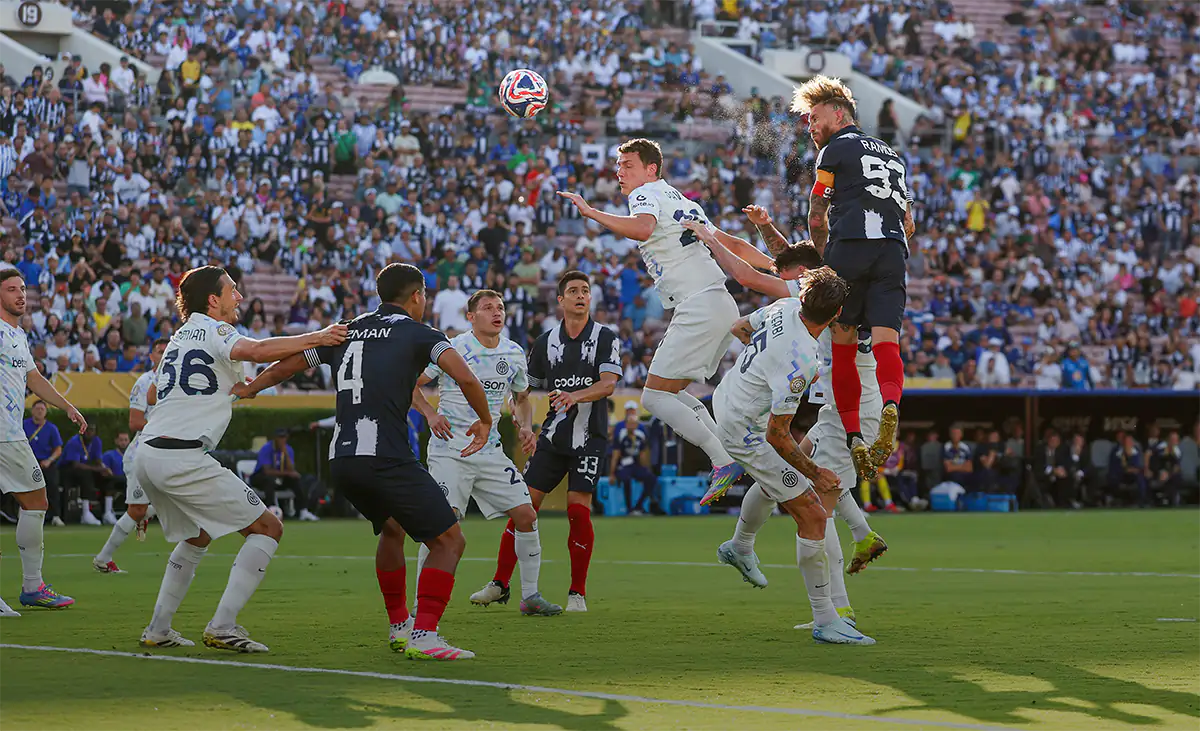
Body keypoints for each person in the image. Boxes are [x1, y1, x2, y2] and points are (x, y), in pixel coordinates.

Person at [235, 263, 490, 661]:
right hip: (385, 454)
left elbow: (291, 364)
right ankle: (425, 634)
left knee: (392, 529)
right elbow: (468, 379)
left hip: (343, 457)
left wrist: (252, 387)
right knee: (450, 540)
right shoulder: (421, 333)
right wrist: (487, 420)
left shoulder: (345, 328)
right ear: (417, 296)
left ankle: (400, 626)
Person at [134, 265, 347, 652]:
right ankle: (223, 625)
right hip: (182, 456)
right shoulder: (216, 329)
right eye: (233, 290)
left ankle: (158, 629)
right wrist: (318, 336)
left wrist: (248, 387)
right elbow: (257, 350)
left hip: (149, 453)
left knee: (196, 536)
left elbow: (228, 382)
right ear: (213, 300)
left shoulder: (181, 336)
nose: (240, 297)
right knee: (268, 528)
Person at [684, 217, 888, 604]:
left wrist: (711, 235)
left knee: (800, 477)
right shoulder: (821, 323)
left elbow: (751, 294)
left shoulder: (789, 305)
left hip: (837, 409)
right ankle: (836, 612)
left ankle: (750, 543)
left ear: (804, 281)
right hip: (834, 411)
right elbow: (787, 258)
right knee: (815, 505)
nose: (782, 275)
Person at [555, 138, 747, 501]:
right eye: (619, 165)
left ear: (651, 169)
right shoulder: (681, 199)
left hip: (700, 304)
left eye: (627, 164)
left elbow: (642, 228)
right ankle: (729, 453)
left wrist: (591, 212)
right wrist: (775, 264)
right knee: (671, 393)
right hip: (720, 302)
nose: (619, 172)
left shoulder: (644, 196)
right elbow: (732, 244)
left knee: (653, 399)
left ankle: (723, 459)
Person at [710, 266, 874, 644]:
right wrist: (817, 473)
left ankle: (739, 546)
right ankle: (826, 620)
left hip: (726, 398)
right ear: (836, 315)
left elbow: (739, 327)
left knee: (774, 487)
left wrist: (769, 369)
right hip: (747, 432)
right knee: (813, 512)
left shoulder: (782, 307)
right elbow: (778, 434)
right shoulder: (802, 360)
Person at [471, 271, 620, 614]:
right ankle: (499, 583)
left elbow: (609, 384)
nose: (581, 295)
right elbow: (523, 392)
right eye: (573, 291)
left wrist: (575, 395)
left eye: (585, 290)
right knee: (524, 508)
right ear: (561, 301)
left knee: (577, 510)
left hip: (589, 438)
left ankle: (577, 593)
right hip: (552, 438)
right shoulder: (544, 343)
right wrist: (524, 424)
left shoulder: (605, 337)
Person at [791, 76, 915, 479]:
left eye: (815, 116)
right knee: (886, 339)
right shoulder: (893, 155)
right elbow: (909, 221)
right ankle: (891, 405)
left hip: (851, 242)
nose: (810, 125)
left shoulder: (833, 149)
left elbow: (816, 210)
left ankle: (852, 436)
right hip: (894, 248)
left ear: (839, 113)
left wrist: (827, 258)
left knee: (842, 340)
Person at [412, 289, 561, 618]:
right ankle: (418, 609)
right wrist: (430, 414)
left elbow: (521, 397)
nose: (497, 312)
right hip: (451, 450)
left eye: (501, 307)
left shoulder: (514, 352)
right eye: (488, 307)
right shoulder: (454, 349)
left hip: (490, 449)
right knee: (442, 526)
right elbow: (412, 382)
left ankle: (531, 596)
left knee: (526, 515)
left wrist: (524, 426)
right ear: (471, 317)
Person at [0, 269, 86, 616]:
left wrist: (66, 405)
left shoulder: (17, 335)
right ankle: (33, 586)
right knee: (36, 500)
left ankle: (33, 587)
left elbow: (33, 377)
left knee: (36, 501)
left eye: (22, 289)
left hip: (9, 433)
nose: (21, 294)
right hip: (4, 435)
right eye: (11, 289)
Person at [94, 338, 168, 573]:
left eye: (169, 351)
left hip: (164, 453)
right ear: (152, 357)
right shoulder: (145, 382)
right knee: (136, 510)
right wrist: (167, 431)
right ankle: (103, 559)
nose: (165, 355)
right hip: (141, 455)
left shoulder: (177, 381)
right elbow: (135, 422)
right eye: (160, 351)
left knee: (177, 498)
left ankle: (146, 514)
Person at [250, 429, 320, 522]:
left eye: (284, 437)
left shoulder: (288, 449)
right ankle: (271, 510)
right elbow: (267, 471)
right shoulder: (266, 448)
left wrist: (285, 453)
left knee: (296, 480)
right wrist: (288, 473)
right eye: (280, 437)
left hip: (279, 477)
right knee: (269, 480)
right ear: (275, 438)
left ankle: (303, 511)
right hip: (260, 477)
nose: (282, 440)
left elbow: (291, 469)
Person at [609, 400, 656, 515]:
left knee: (651, 478)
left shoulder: (640, 433)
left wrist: (646, 467)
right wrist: (612, 473)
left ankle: (639, 506)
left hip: (636, 463)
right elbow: (616, 453)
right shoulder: (620, 431)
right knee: (626, 479)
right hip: (623, 463)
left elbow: (643, 452)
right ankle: (629, 508)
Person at [23, 400, 65, 527]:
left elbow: (58, 449)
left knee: (52, 485)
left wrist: (49, 460)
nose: (40, 411)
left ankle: (55, 516)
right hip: (27, 462)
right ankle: (22, 514)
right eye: (37, 408)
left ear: (46, 412)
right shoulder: (23, 425)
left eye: (42, 409)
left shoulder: (51, 428)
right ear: (32, 410)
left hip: (45, 462)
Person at [60, 423, 110, 525]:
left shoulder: (96, 441)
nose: (89, 432)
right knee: (86, 475)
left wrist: (104, 468)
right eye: (87, 430)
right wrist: (96, 469)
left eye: (92, 430)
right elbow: (75, 464)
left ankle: (107, 513)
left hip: (85, 469)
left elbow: (97, 460)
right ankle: (85, 513)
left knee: (106, 478)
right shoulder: (74, 442)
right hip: (67, 470)